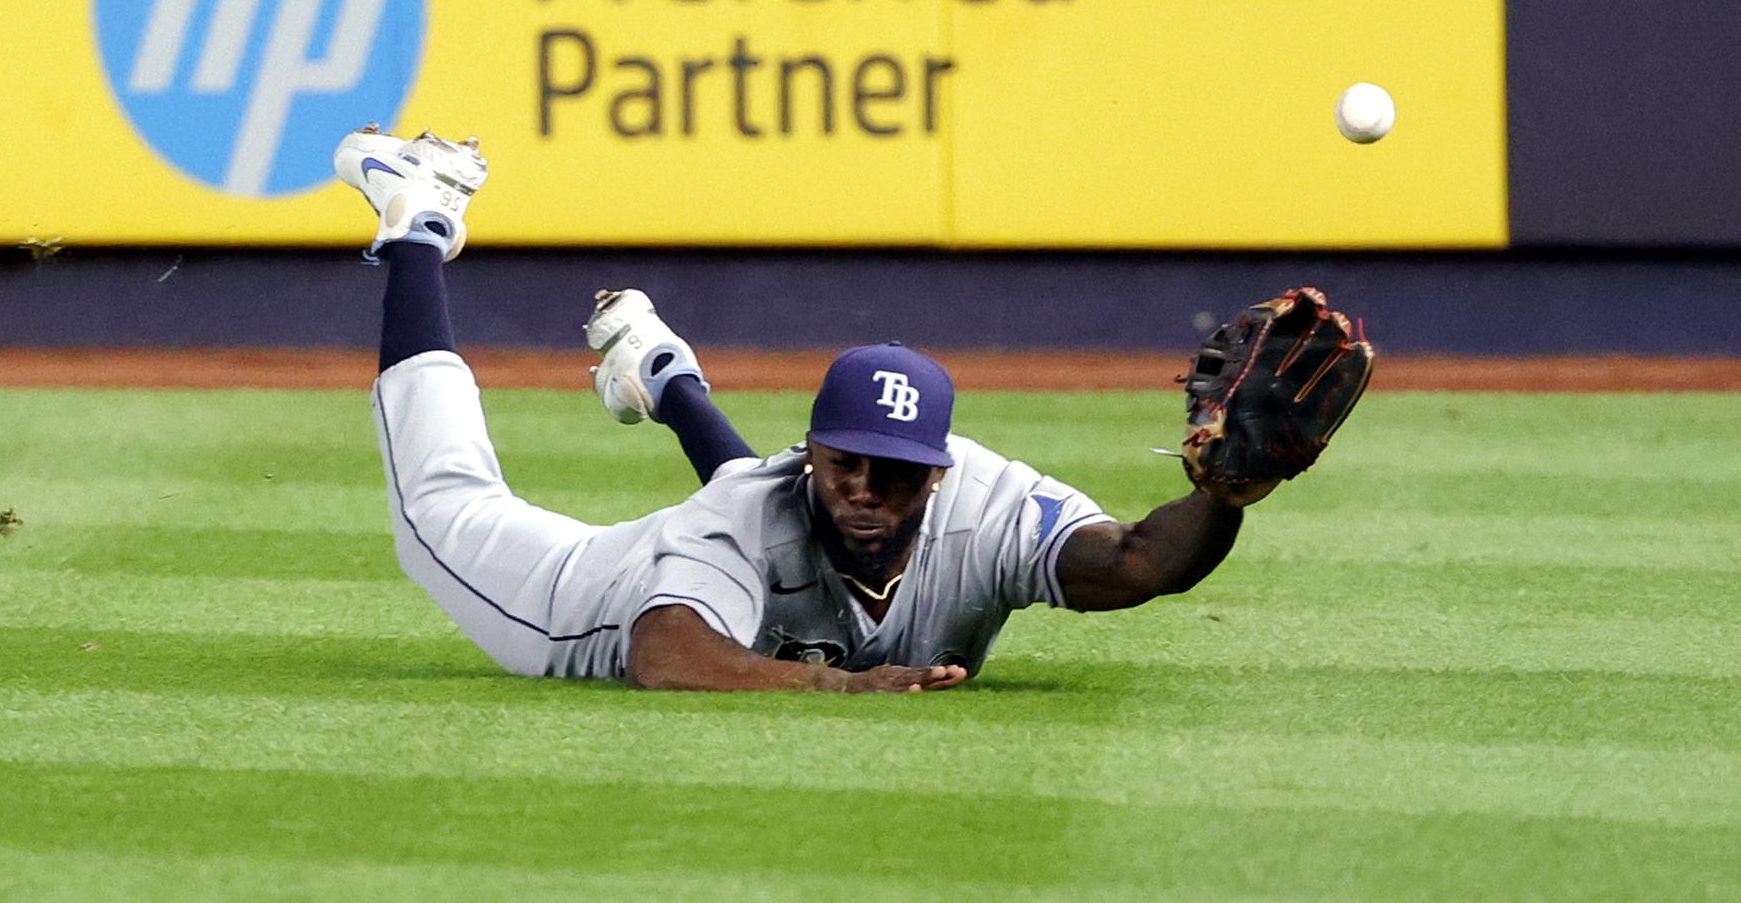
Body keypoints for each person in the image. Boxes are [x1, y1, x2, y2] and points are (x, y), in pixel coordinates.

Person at [336, 127, 1276, 693]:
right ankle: (416, 218)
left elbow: (1140, 560)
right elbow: (668, 655)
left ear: (941, 470)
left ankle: (662, 374)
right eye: (845, 463)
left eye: (894, 469)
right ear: (813, 452)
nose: (866, 488)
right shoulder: (748, 514)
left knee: (773, 519)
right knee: (443, 505)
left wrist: (1227, 496)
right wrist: (850, 686)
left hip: (746, 521)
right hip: (569, 594)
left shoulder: (988, 504)